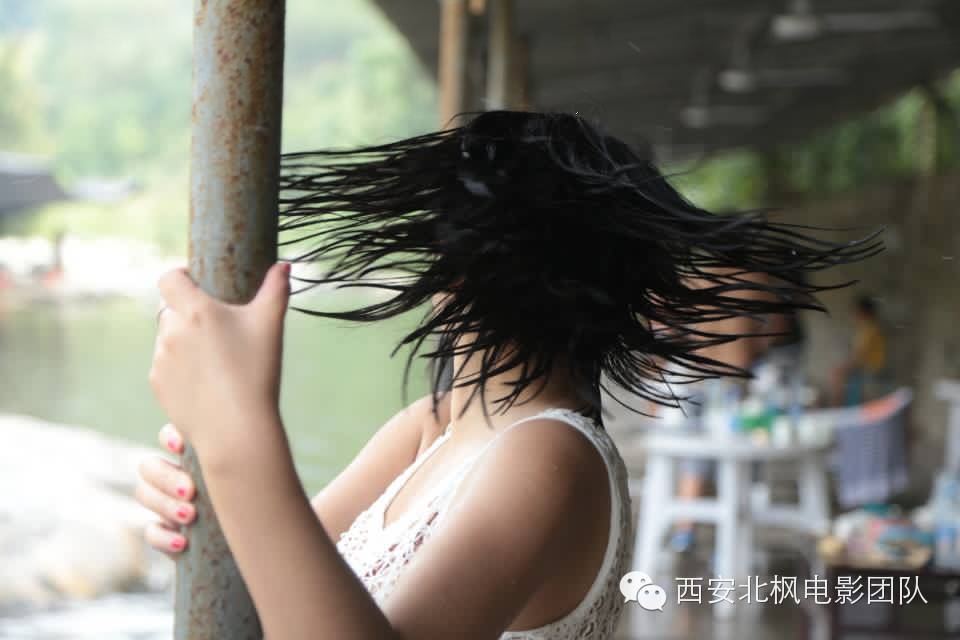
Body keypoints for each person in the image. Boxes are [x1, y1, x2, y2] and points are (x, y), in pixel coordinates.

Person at [136, 110, 879, 639]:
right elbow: (262, 583)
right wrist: (209, 508)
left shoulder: (551, 452)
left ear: (459, 280)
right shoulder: (429, 429)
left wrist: (238, 438)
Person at [831, 294, 889, 406]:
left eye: (856, 311)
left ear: (862, 312)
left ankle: (841, 409)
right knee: (839, 374)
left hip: (870, 372)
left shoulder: (870, 330)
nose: (854, 315)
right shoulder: (865, 329)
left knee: (839, 376)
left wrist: (841, 371)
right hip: (864, 370)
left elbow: (858, 358)